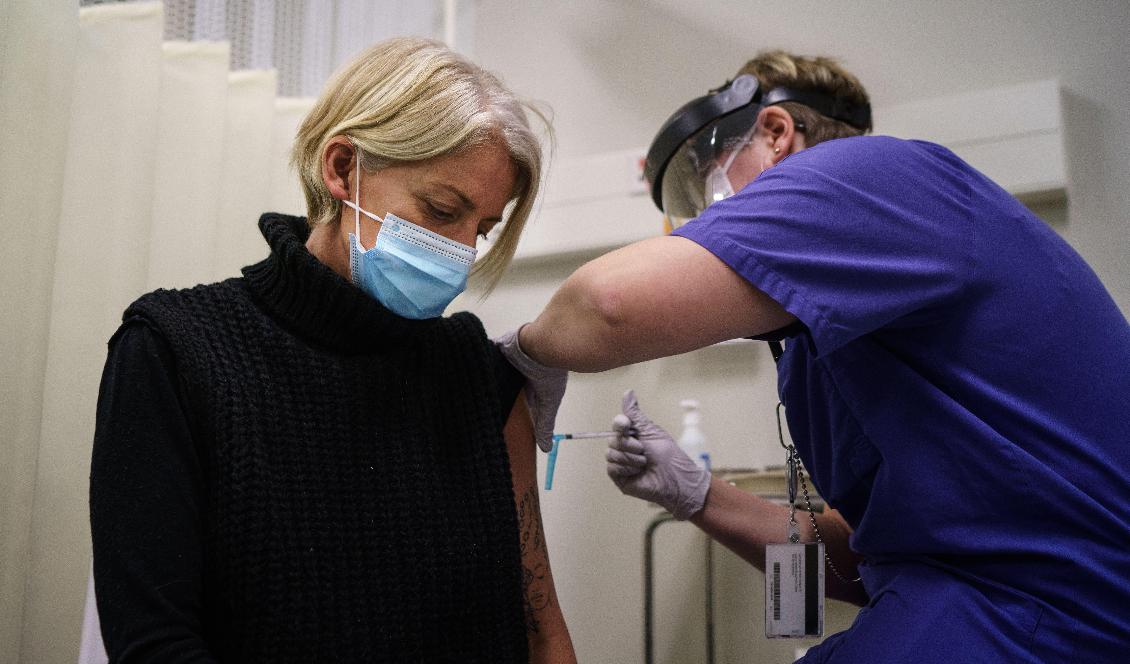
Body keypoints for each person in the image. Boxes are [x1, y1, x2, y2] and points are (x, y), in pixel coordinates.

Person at [497, 50, 1130, 661]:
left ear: (776, 133)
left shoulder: (869, 173)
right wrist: (696, 493)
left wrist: (524, 352)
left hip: (1051, 611)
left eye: (703, 184)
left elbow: (609, 305)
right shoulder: (820, 341)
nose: (701, 220)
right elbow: (858, 560)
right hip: (985, 606)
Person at [90, 37, 575, 663]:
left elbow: (541, 632)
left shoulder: (477, 373)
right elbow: (154, 645)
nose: (460, 253)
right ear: (343, 168)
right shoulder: (173, 351)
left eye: (480, 230)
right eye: (441, 209)